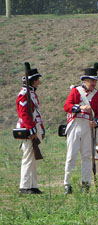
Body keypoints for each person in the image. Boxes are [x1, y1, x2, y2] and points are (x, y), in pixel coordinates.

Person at [63, 63, 98, 194]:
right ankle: (68, 184)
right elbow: (67, 106)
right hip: (75, 123)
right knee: (71, 155)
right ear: (85, 80)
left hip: (88, 126)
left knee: (87, 156)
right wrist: (80, 107)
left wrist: (95, 122)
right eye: (91, 80)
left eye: (95, 80)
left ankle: (86, 183)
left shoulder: (97, 95)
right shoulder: (75, 91)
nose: (94, 83)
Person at [16, 62, 45, 194]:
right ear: (33, 81)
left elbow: (36, 113)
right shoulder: (24, 93)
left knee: (34, 158)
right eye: (37, 79)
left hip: (34, 127)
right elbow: (24, 114)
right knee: (28, 157)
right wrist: (32, 130)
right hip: (28, 129)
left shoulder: (31, 93)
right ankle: (24, 186)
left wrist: (41, 129)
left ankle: (33, 185)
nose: (39, 82)